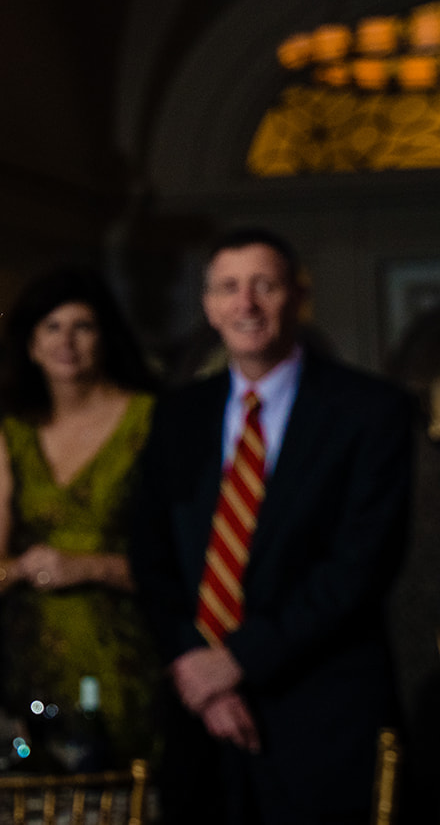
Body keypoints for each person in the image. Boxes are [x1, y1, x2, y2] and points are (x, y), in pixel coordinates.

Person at [130, 229, 411, 824]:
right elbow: (150, 554)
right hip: (197, 715)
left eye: (266, 286)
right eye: (229, 288)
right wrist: (194, 666)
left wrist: (236, 660)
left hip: (321, 715)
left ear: (298, 299)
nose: (246, 305)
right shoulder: (179, 414)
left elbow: (360, 568)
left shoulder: (371, 411)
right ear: (209, 305)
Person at [0, 268, 158, 767]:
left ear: (105, 339)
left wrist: (89, 566)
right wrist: (18, 569)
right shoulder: (14, 434)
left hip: (134, 654)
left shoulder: (151, 420)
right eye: (52, 327)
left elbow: (184, 560)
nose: (66, 341)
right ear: (30, 344)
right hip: (36, 661)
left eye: (83, 326)